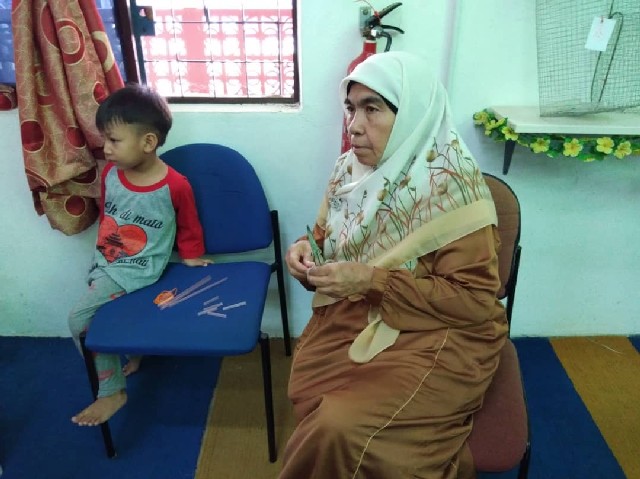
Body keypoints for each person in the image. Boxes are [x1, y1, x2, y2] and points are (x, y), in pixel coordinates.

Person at [280, 51, 508, 478]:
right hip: (358, 314)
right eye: (351, 108)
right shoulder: (348, 171)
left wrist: (372, 281)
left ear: (414, 115)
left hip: (441, 331)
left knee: (341, 430)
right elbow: (327, 238)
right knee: (321, 407)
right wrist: (306, 252)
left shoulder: (452, 188)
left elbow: (473, 302)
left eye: (372, 109)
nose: (354, 126)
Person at [68, 84, 211, 427]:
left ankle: (112, 391)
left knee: (79, 321)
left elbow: (189, 224)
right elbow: (109, 213)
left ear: (148, 142)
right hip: (107, 260)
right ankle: (133, 356)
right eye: (105, 139)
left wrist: (191, 256)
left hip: (138, 269)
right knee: (108, 313)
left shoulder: (175, 185)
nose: (106, 148)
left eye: (114, 140)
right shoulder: (110, 174)